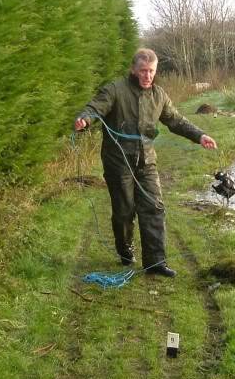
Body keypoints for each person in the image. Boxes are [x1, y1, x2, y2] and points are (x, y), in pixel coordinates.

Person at [74, 48, 217, 277]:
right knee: (124, 211)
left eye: (151, 71)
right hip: (117, 161)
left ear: (155, 70)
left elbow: (176, 121)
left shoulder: (159, 95)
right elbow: (95, 108)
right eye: (142, 71)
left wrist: (199, 136)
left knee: (154, 207)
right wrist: (85, 119)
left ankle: (155, 262)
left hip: (147, 161)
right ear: (133, 69)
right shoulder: (115, 90)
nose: (147, 76)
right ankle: (125, 250)